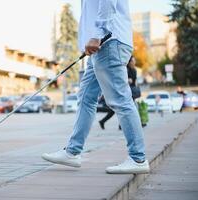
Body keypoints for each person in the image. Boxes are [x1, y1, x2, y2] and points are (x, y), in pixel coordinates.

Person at [42, 0, 149, 174]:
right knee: (86, 97)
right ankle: (73, 152)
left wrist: (98, 34)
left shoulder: (103, 36)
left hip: (108, 42)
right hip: (100, 47)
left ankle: (138, 158)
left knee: (120, 100)